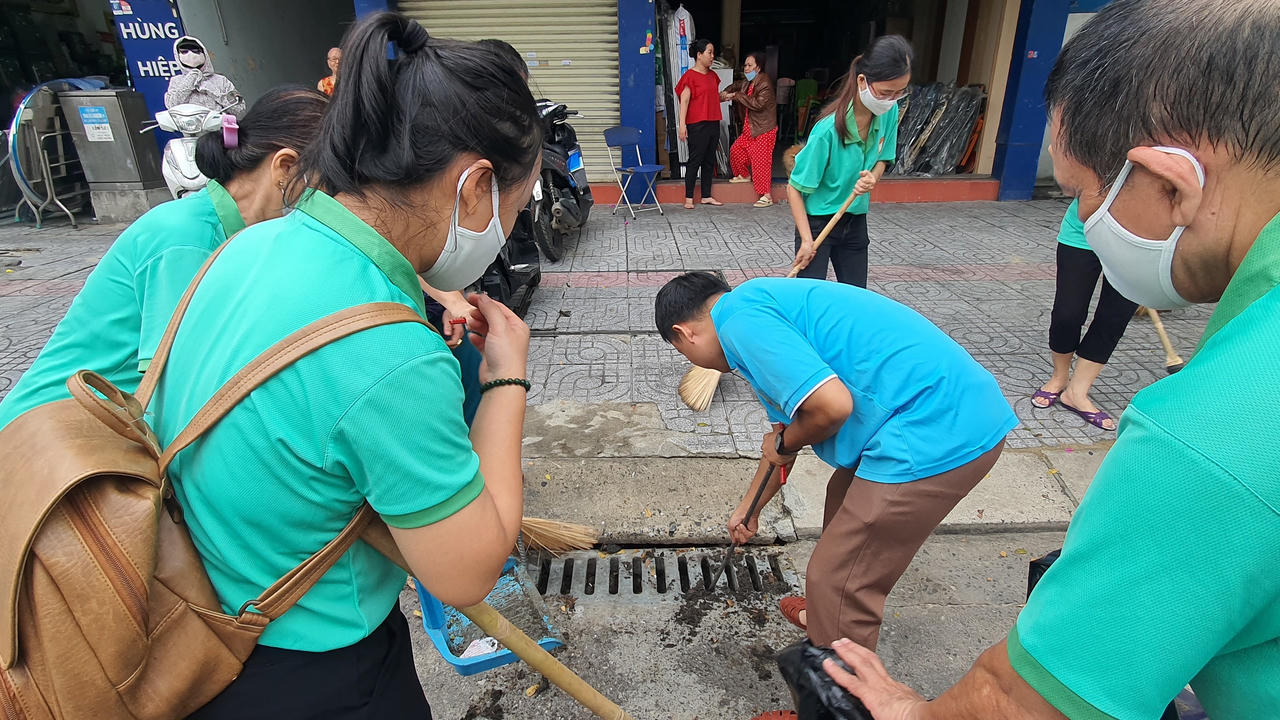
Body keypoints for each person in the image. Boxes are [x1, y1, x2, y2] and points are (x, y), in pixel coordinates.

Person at [819, 1, 1280, 718]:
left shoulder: (1213, 433)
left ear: (1171, 185)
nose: (1084, 220)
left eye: (1081, 195)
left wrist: (913, 712)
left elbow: (1025, 702)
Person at [147, 14, 539, 717]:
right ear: (476, 186)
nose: (507, 230)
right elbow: (467, 572)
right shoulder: (389, 351)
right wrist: (506, 379)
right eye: (516, 206)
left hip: (194, 621)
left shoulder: (249, 247)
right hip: (314, 671)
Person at [655, 272, 1017, 653]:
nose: (692, 360)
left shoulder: (740, 324)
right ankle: (825, 615)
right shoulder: (751, 313)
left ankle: (836, 669)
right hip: (944, 409)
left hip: (937, 425)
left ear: (684, 333)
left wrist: (783, 442)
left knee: (835, 578)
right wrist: (749, 509)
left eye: (682, 353)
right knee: (841, 497)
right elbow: (782, 445)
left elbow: (831, 407)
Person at [0, 85, 327, 431]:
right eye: (332, 186)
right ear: (285, 168)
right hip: (58, 438)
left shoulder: (240, 235)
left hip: (108, 427)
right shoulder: (186, 239)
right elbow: (178, 392)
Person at [788, 36, 910, 287]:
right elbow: (794, 188)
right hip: (817, 222)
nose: (891, 100)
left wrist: (872, 177)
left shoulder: (888, 112)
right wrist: (806, 240)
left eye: (899, 92)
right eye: (886, 92)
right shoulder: (827, 131)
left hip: (854, 219)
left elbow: (884, 159)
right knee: (811, 297)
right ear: (862, 81)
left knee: (856, 297)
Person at [1031, 198, 1138, 430]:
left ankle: (1077, 392)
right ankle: (1059, 376)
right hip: (1083, 230)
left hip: (1140, 242)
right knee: (1066, 314)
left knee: (1113, 318)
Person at [723, 51, 778, 207]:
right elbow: (737, 85)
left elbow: (757, 104)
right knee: (736, 151)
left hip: (763, 129)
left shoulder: (764, 83)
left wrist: (737, 96)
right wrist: (726, 92)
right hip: (750, 129)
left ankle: (766, 195)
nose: (746, 68)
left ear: (758, 68)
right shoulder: (749, 82)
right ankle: (744, 175)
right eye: (745, 65)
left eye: (749, 65)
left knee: (760, 162)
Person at [676, 38, 724, 209]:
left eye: (713, 53)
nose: (712, 56)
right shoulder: (689, 76)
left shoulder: (713, 76)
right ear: (699, 55)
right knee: (695, 160)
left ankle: (706, 196)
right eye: (709, 53)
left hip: (713, 122)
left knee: (709, 161)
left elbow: (712, 97)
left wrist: (726, 96)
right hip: (697, 124)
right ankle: (689, 197)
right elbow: (684, 101)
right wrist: (682, 125)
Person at [165, 35, 245, 117]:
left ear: (204, 54)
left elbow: (239, 109)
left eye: (195, 51)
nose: (190, 54)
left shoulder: (221, 81)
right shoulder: (176, 81)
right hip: (189, 124)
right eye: (184, 52)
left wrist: (212, 90)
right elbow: (171, 106)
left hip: (218, 124)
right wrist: (190, 80)